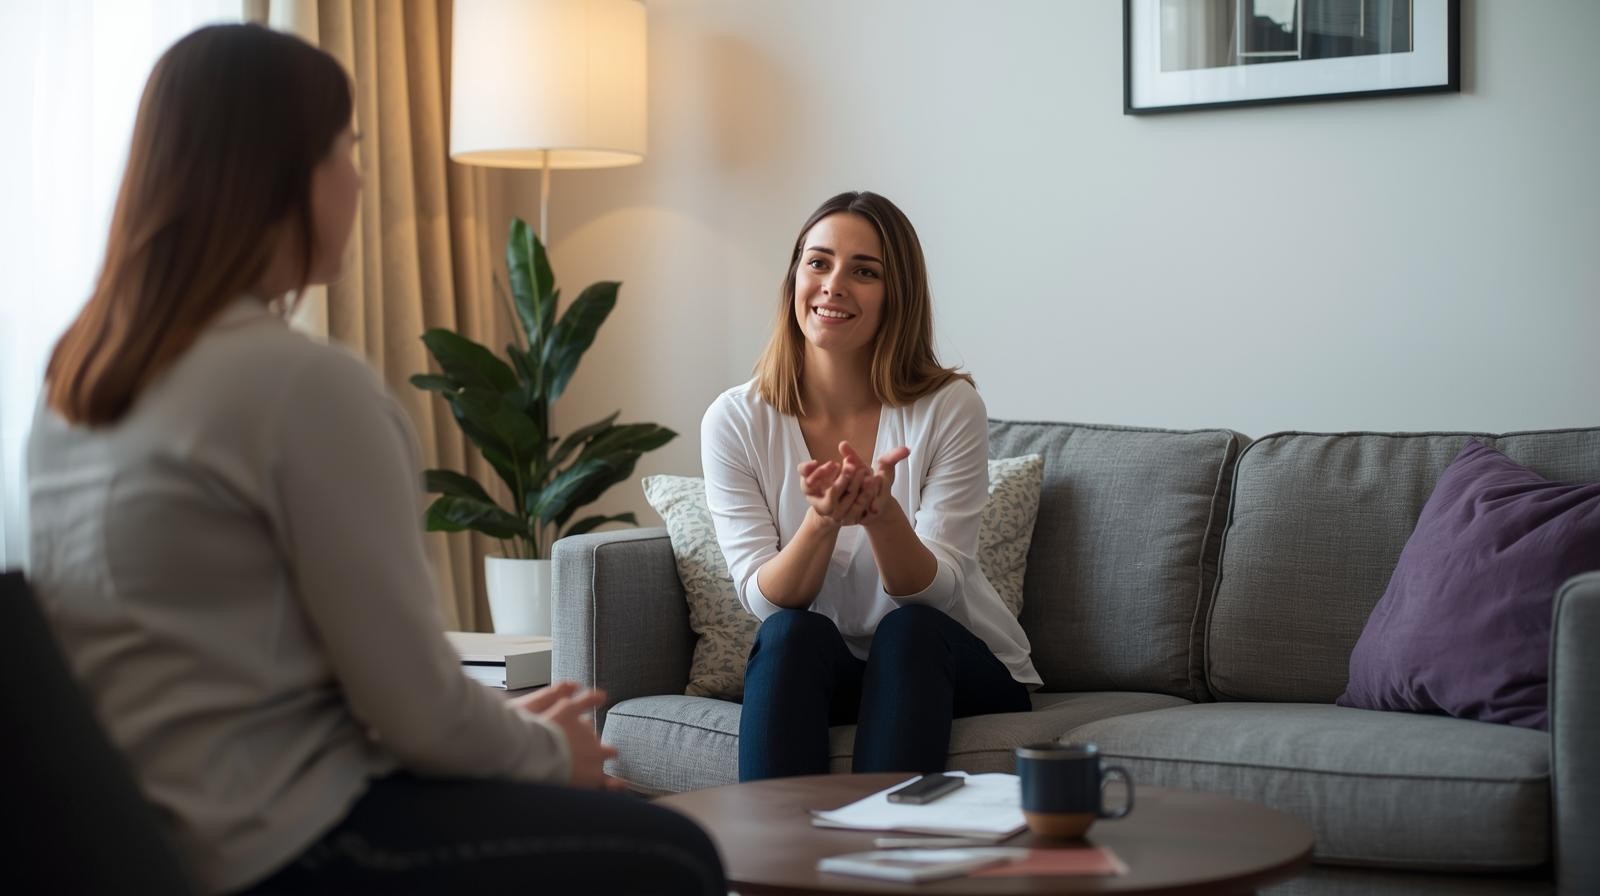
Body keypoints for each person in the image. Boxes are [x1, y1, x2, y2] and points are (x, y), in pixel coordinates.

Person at [26, 24, 723, 896]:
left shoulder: (76, 382)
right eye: (345, 151)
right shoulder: (299, 385)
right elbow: (415, 712)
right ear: (280, 175)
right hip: (284, 843)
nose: (359, 179)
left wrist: (508, 737)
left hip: (141, 838)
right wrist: (548, 750)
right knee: (675, 853)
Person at [702, 191, 1040, 782]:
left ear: (895, 295)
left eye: (864, 271)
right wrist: (823, 520)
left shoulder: (948, 407)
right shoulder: (735, 420)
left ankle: (887, 858)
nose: (834, 284)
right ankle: (772, 863)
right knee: (789, 634)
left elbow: (935, 593)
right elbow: (762, 599)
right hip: (832, 673)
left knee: (906, 630)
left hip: (955, 663)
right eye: (818, 262)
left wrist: (884, 516)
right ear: (794, 278)